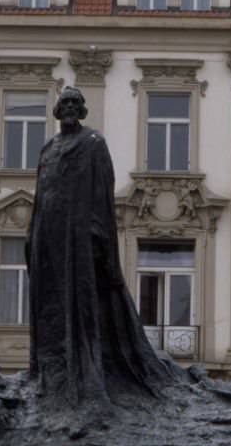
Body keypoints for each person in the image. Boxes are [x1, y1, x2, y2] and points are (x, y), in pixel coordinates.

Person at [26, 86, 185, 408]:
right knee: (49, 304)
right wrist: (33, 234)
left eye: (75, 103)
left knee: (82, 302)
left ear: (82, 111)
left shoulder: (93, 143)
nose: (70, 107)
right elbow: (40, 195)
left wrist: (99, 236)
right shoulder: (47, 149)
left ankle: (84, 371)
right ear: (56, 110)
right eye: (65, 103)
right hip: (48, 234)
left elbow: (102, 192)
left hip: (78, 233)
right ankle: (51, 371)